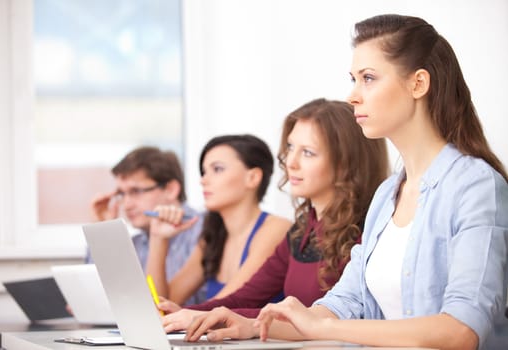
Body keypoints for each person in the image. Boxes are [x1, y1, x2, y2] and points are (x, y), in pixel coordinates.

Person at [182, 14, 508, 350]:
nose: (353, 95)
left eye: (368, 78)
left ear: (418, 84)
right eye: (353, 79)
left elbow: (461, 331)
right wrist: (251, 326)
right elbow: (342, 306)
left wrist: (319, 328)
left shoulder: (476, 186)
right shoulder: (387, 196)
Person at [157, 98, 389, 332]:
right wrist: (194, 313)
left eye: (308, 153)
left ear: (346, 163)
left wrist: (210, 317)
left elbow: (320, 317)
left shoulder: (367, 231)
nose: (291, 162)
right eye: (290, 148)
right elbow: (247, 296)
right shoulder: (303, 229)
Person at [146, 134, 292, 306]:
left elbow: (229, 304)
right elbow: (158, 305)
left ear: (252, 178)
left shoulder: (276, 228)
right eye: (204, 172)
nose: (203, 180)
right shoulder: (213, 237)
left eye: (217, 169)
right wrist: (158, 238)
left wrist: (182, 315)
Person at [85, 146, 205, 305]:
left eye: (136, 191)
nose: (127, 205)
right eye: (122, 194)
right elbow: (101, 299)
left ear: (170, 189)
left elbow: (160, 306)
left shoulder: (204, 229)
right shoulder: (135, 244)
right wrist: (103, 232)